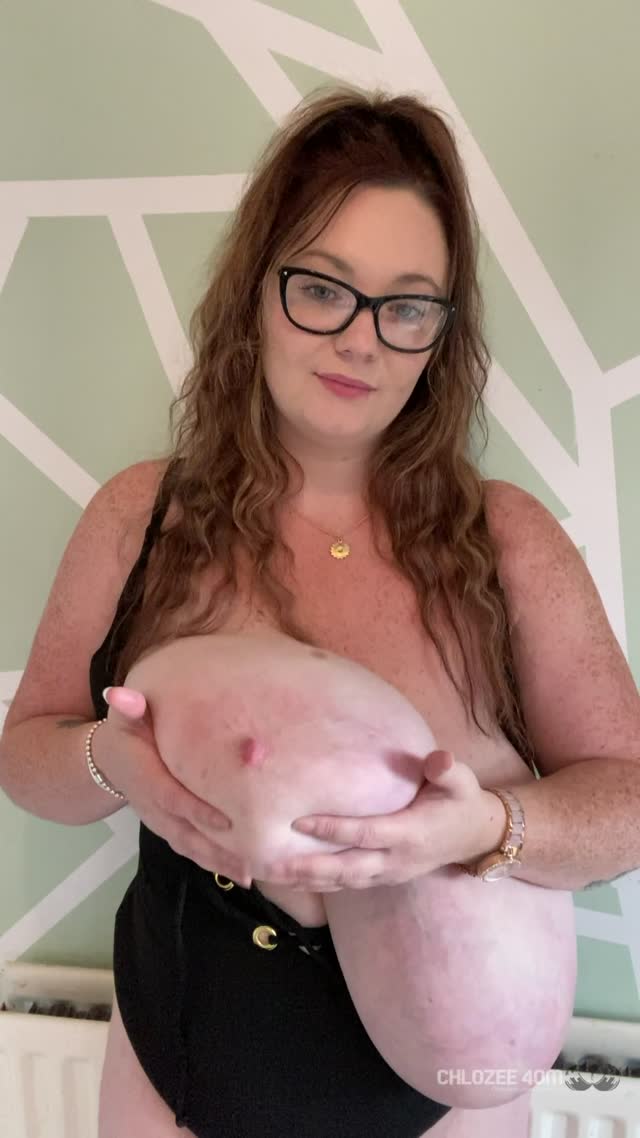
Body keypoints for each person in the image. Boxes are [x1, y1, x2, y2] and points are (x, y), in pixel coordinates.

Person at [1, 86, 639, 1138]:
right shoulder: (140, 517)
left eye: (407, 305)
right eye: (323, 288)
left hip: (446, 1109)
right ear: (258, 289)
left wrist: (490, 827)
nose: (361, 339)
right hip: (177, 1078)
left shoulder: (507, 540)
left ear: (441, 334)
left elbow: (628, 799)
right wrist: (110, 760)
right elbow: (27, 755)